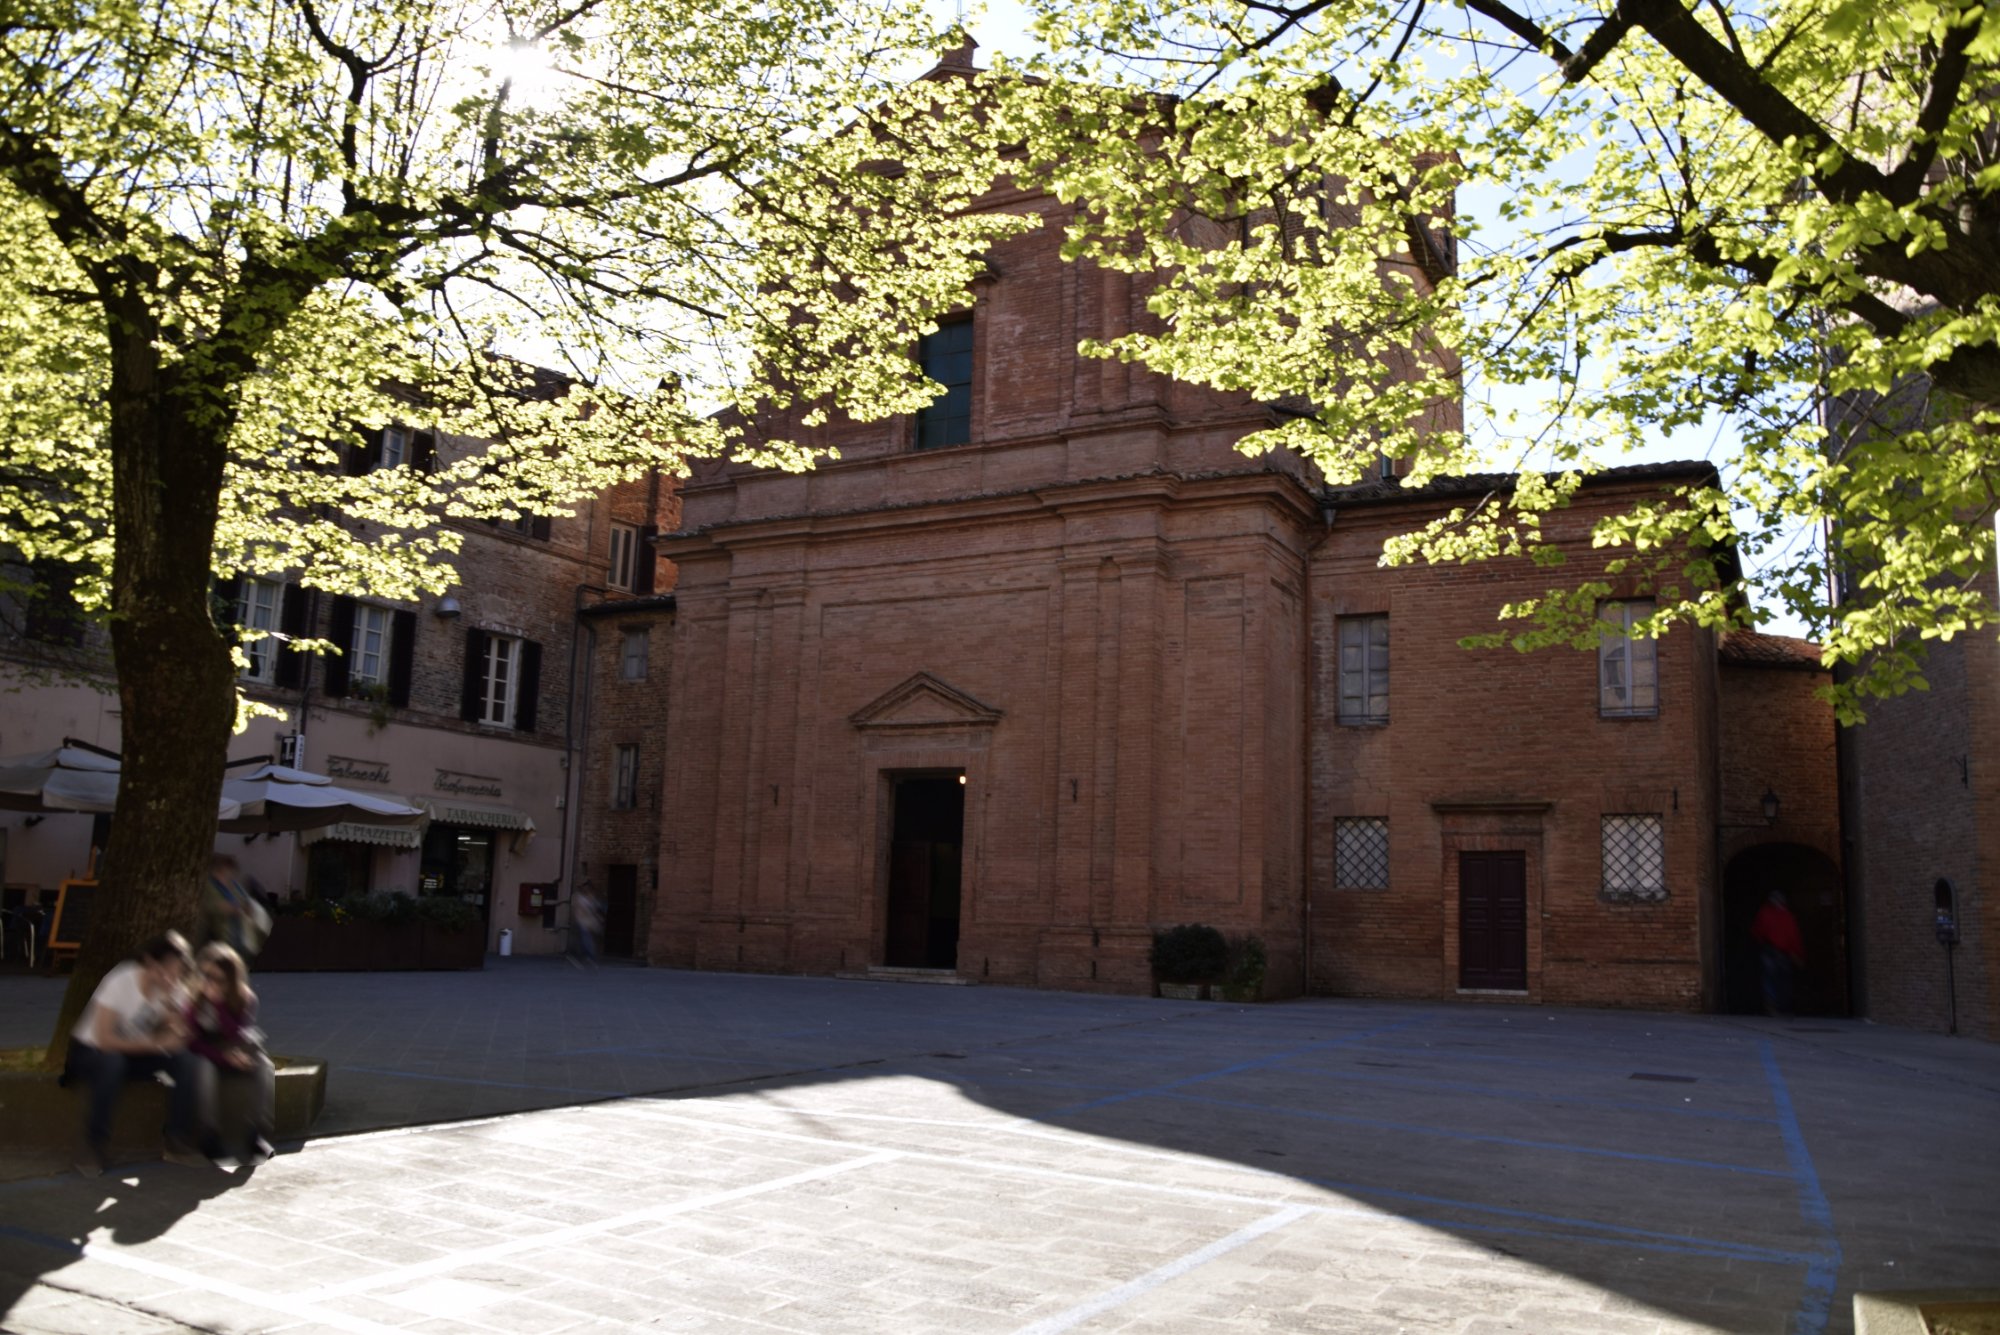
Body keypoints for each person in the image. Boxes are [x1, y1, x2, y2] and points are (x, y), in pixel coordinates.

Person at [66, 931, 201, 1176]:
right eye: (168, 969)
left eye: (179, 971)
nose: (173, 977)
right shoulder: (122, 979)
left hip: (135, 1054)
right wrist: (156, 1044)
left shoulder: (174, 990)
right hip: (92, 1052)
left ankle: (176, 1140)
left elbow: (184, 1039)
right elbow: (105, 1039)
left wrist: (175, 1011)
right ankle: (92, 1146)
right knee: (112, 1062)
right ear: (151, 962)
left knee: (187, 1061)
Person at [184, 942, 275, 1167]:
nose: (210, 983)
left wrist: (220, 1007)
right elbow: (193, 1042)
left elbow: (240, 1033)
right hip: (205, 1052)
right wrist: (222, 1056)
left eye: (219, 978)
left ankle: (256, 1135)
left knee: (264, 1064)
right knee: (203, 1069)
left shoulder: (245, 998)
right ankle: (210, 1137)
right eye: (206, 975)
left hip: (235, 1047)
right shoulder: (192, 1000)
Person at [201, 854, 270, 959]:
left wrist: (247, 908)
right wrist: (234, 908)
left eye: (231, 870)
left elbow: (245, 903)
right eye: (226, 870)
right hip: (219, 938)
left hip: (240, 938)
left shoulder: (234, 886)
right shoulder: (209, 885)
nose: (229, 874)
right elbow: (210, 906)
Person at [1750, 890, 1806, 1017]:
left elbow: (1756, 931)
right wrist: (1797, 953)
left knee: (1770, 979)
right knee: (1781, 980)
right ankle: (1781, 1007)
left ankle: (1773, 1007)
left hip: (1771, 949)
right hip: (1782, 952)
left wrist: (1761, 942)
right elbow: (1793, 936)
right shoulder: (1787, 916)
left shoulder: (1766, 913)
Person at [569, 881, 603, 969]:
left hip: (589, 923)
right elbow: (576, 909)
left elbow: (594, 908)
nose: (586, 890)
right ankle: (588, 956)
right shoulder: (578, 898)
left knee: (585, 940)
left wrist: (598, 917)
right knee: (586, 940)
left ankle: (584, 956)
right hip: (581, 922)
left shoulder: (590, 898)